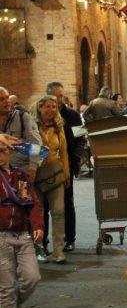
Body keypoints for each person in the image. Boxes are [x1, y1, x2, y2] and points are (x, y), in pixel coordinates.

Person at [0, 140, 44, 308]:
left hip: (23, 235)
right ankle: (8, 307)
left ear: (10, 152)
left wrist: (38, 225)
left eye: (2, 151)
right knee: (7, 287)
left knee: (32, 278)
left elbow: (33, 204)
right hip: (1, 238)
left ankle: (8, 305)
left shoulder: (21, 176)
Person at [46, 82, 84, 253]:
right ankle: (44, 242)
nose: (59, 99)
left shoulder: (73, 115)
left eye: (61, 96)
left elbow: (81, 139)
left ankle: (70, 239)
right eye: (56, 96)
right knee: (45, 206)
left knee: (68, 203)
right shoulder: (43, 116)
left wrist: (75, 157)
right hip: (47, 167)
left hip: (67, 165)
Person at [32, 95, 70, 263]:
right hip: (36, 175)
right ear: (40, 108)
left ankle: (59, 251)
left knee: (59, 212)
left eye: (53, 107)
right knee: (37, 213)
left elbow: (64, 152)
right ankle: (39, 248)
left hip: (55, 174)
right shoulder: (32, 126)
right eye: (47, 106)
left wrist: (66, 173)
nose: (51, 110)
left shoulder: (59, 127)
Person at [0, 87, 42, 179]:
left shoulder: (23, 117)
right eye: (1, 99)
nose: (7, 101)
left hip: (22, 171)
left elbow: (36, 144)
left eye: (7, 97)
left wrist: (33, 168)